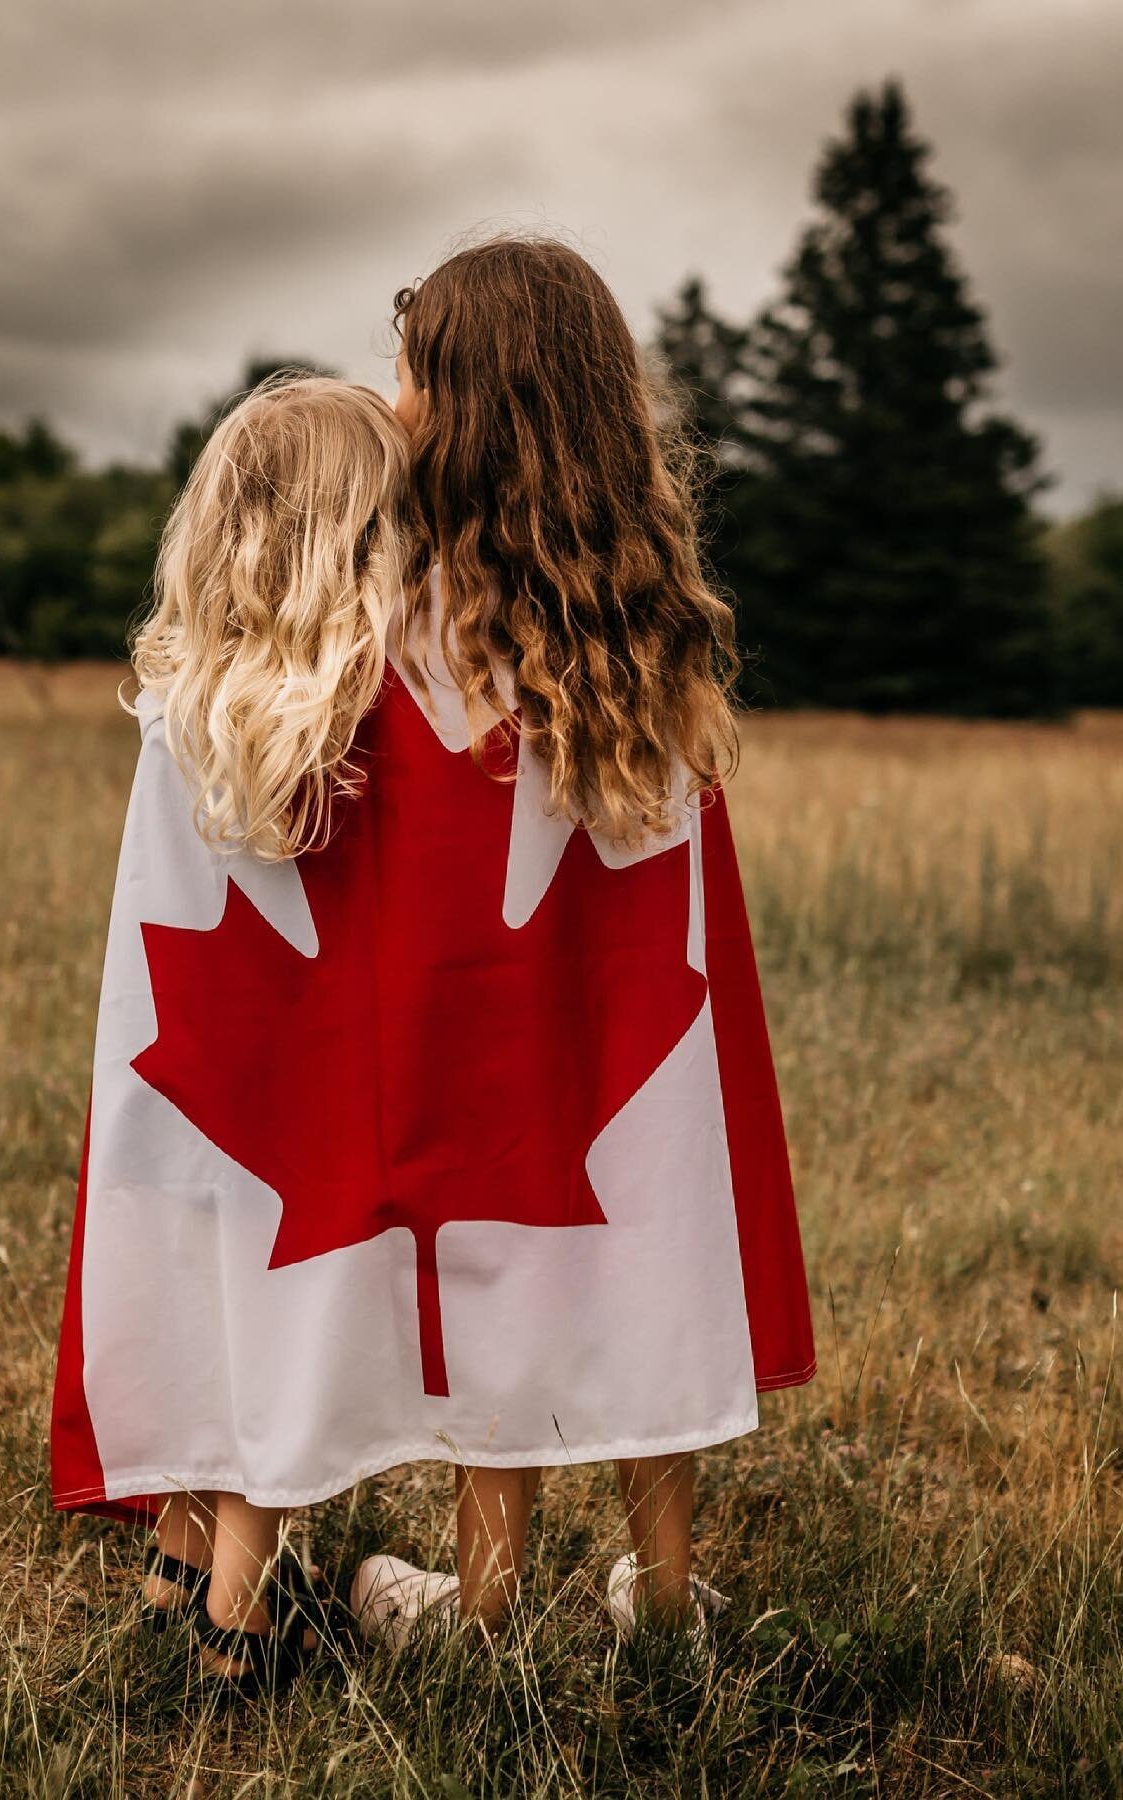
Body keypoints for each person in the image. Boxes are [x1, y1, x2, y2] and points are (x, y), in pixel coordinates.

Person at [51, 245, 814, 1697]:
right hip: (598, 1079)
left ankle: (474, 1613)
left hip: (413, 1086)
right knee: (618, 1245)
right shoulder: (634, 640)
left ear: (459, 402)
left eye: (409, 369)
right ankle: (658, 1600)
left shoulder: (378, 635)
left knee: (487, 1260)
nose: (392, 397)